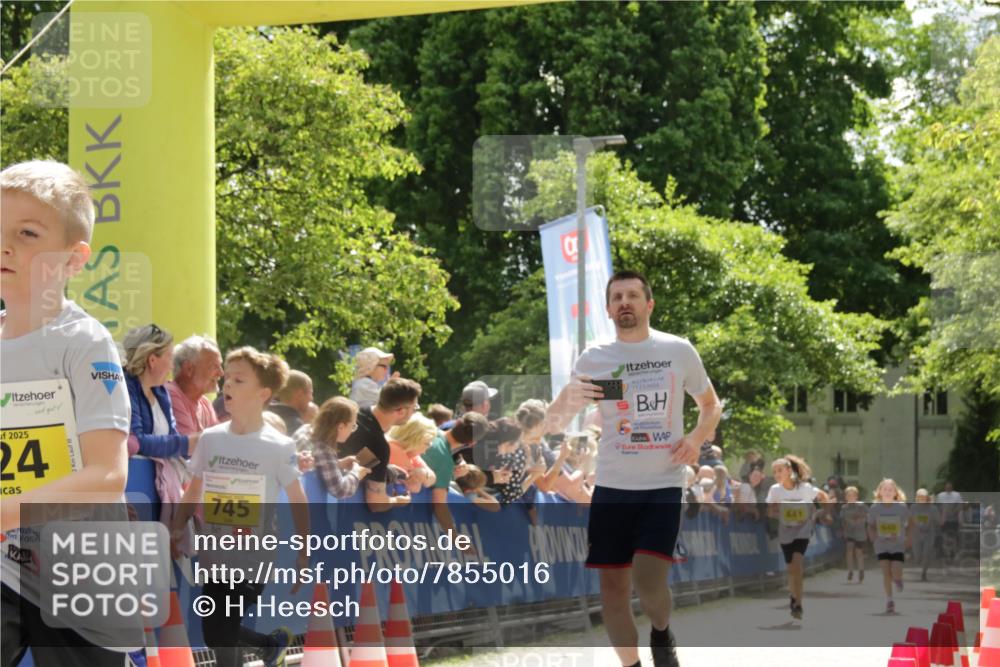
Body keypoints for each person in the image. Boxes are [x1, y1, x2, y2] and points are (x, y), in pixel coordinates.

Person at [547, 270, 722, 667]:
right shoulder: (595, 359)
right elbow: (558, 421)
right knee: (611, 586)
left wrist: (695, 439)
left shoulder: (677, 351)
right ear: (609, 309)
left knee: (647, 583)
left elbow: (711, 405)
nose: (624, 302)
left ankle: (662, 633)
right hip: (610, 485)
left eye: (632, 295)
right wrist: (567, 397)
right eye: (617, 297)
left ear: (649, 304)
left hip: (662, 485)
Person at [1, 160, 133, 666]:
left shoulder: (85, 342)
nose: (6, 245)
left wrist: (6, 510)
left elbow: (106, 475)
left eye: (27, 234)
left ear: (74, 259)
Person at [173, 347, 310, 667]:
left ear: (263, 393)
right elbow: (194, 487)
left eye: (238, 380)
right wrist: (177, 526)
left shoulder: (279, 445)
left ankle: (268, 645)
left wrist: (304, 552)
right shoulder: (210, 438)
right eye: (227, 379)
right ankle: (268, 645)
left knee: (222, 632)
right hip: (214, 550)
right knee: (215, 634)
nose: (227, 386)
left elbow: (299, 499)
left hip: (254, 553)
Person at [766, 455, 832, 620]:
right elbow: (769, 511)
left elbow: (823, 497)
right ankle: (793, 596)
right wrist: (778, 512)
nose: (777, 474)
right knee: (791, 569)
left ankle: (798, 604)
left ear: (789, 471)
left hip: (803, 530)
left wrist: (823, 513)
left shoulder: (805, 488)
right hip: (786, 531)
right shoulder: (775, 490)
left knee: (797, 562)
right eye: (774, 472)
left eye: (780, 470)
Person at [339, 377, 421, 512]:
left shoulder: (356, 412)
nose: (414, 412)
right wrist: (398, 501)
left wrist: (383, 468)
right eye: (414, 408)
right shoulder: (378, 445)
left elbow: (353, 452)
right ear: (401, 411)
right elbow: (376, 503)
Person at [123, 324, 198, 459]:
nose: (172, 366)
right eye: (170, 358)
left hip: (156, 478)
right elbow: (135, 441)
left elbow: (173, 441)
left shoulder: (162, 393)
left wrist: (196, 446)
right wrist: (187, 444)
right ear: (152, 360)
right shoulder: (125, 387)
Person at [422, 412, 490, 553]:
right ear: (472, 443)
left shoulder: (426, 429)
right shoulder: (445, 463)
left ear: (457, 421)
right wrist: (456, 539)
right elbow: (439, 505)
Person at [303, 396, 371, 498]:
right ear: (341, 427)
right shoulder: (324, 449)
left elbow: (312, 466)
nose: (353, 431)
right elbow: (340, 490)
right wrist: (357, 473)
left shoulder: (305, 430)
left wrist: (338, 464)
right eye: (353, 426)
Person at [867, 479, 912, 614]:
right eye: (884, 489)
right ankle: (889, 600)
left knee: (896, 570)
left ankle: (898, 579)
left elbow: (911, 523)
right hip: (881, 545)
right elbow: (871, 524)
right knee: (886, 572)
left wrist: (909, 538)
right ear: (879, 492)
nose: (887, 492)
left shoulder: (902, 508)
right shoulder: (875, 508)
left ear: (895, 493)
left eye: (890, 490)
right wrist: (872, 536)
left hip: (897, 544)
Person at [166, 334, 223, 435]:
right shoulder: (170, 394)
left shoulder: (205, 403)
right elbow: (190, 445)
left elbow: (219, 441)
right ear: (189, 369)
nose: (221, 373)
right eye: (215, 366)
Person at [386, 413, 438, 494]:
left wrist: (425, 474)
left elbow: (432, 479)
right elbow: (415, 488)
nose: (427, 449)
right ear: (413, 438)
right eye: (427, 443)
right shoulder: (393, 448)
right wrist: (422, 476)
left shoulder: (411, 454)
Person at [270, 369, 313, 434]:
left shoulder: (262, 413)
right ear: (299, 394)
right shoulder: (295, 426)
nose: (311, 398)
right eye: (311, 393)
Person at [911, 488, 941, 582]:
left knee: (926, 554)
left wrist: (935, 520)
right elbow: (910, 518)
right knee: (917, 556)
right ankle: (918, 559)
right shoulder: (913, 507)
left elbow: (937, 520)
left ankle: (924, 573)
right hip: (916, 534)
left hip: (929, 534)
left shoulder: (933, 508)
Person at [840, 486, 869, 582]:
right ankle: (850, 571)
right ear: (846, 497)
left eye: (853, 495)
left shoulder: (861, 506)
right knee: (849, 549)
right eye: (849, 495)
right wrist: (844, 530)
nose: (851, 497)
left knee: (858, 552)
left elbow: (868, 515)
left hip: (860, 532)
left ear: (856, 497)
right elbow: (842, 520)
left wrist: (861, 518)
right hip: (849, 532)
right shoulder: (844, 508)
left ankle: (861, 570)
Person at [936, 481, 964, 565]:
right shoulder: (940, 495)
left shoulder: (956, 495)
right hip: (944, 520)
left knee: (954, 538)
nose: (948, 488)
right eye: (947, 487)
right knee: (945, 538)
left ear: (952, 487)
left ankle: (953, 554)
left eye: (950, 487)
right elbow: (938, 507)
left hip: (954, 520)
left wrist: (955, 512)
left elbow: (960, 506)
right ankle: (946, 555)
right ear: (945, 487)